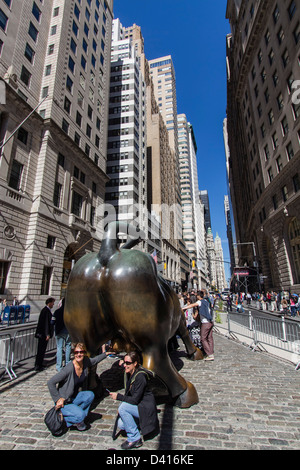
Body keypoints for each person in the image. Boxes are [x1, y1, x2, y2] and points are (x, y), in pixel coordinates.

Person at [47, 342, 112, 431]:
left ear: (84, 353)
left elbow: (95, 360)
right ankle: (64, 419)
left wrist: (106, 353)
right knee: (81, 415)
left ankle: (77, 416)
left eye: (81, 352)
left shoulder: (85, 362)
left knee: (90, 395)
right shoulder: (68, 369)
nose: (79, 354)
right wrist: (57, 399)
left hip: (74, 398)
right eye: (76, 352)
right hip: (65, 401)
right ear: (73, 353)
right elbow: (51, 382)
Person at [109, 351, 159, 450]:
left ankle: (134, 438)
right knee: (121, 424)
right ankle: (140, 424)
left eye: (128, 363)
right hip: (139, 407)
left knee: (123, 408)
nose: (125, 365)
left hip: (145, 409)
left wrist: (119, 397)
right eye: (124, 362)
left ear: (135, 363)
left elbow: (135, 400)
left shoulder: (140, 377)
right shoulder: (131, 373)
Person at [182, 291, 214, 361]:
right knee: (209, 338)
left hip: (205, 322)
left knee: (203, 338)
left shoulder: (200, 302)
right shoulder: (206, 301)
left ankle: (209, 354)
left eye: (197, 296)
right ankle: (211, 352)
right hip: (210, 321)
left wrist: (184, 308)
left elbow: (192, 305)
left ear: (199, 296)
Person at [34, 297, 55, 371]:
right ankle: (38, 365)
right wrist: (47, 334)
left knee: (42, 350)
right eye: (52, 303)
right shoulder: (46, 311)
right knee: (41, 350)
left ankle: (40, 363)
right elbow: (46, 323)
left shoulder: (45, 310)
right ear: (49, 303)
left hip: (42, 334)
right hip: (43, 334)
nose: (53, 304)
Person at [53, 298, 71, 371]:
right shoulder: (70, 312)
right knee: (68, 346)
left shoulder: (57, 312)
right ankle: (67, 363)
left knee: (59, 348)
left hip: (59, 332)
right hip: (68, 332)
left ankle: (59, 366)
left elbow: (52, 322)